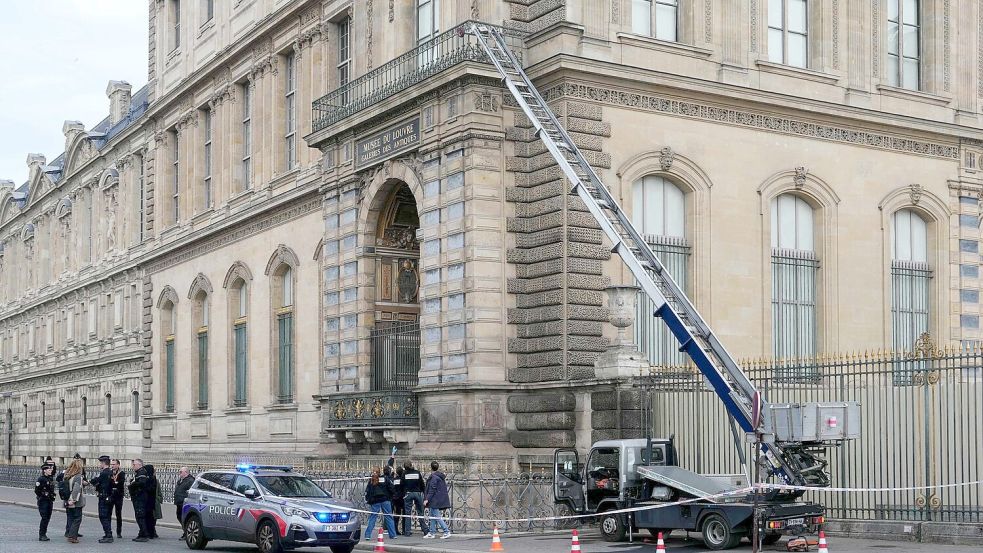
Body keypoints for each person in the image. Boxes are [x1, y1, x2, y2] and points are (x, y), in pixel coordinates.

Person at [363, 467, 397, 541]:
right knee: (389, 517)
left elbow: (368, 492)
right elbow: (391, 488)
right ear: (380, 472)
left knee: (373, 517)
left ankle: (367, 535)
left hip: (375, 501)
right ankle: (393, 535)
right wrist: (392, 496)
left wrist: (368, 500)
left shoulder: (371, 480)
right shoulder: (385, 478)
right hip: (385, 500)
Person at [423, 461, 451, 539]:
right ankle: (432, 532)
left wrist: (426, 499)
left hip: (435, 500)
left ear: (430, 468)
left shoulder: (434, 477)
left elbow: (432, 490)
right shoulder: (439, 476)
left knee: (437, 516)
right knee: (432, 516)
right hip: (436, 499)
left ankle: (446, 531)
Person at [90, 456, 115, 543]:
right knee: (107, 516)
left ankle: (108, 535)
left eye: (100, 463)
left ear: (103, 463)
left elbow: (94, 481)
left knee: (103, 516)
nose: (99, 464)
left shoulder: (104, 473)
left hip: (103, 497)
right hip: (109, 497)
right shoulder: (111, 472)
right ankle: (108, 533)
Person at [64, 458, 86, 543]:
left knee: (70, 518)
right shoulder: (78, 476)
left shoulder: (67, 475)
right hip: (75, 502)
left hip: (67, 499)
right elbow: (76, 489)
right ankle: (72, 536)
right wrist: (73, 500)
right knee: (77, 518)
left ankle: (69, 533)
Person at [401, 460, 426, 537]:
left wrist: (404, 493)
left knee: (408, 513)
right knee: (420, 512)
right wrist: (423, 492)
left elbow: (402, 484)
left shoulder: (404, 473)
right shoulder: (417, 472)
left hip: (408, 493)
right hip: (417, 493)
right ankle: (425, 529)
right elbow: (422, 483)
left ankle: (407, 531)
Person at [128, 459, 150, 542]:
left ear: (139, 465)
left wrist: (132, 484)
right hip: (137, 497)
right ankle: (141, 533)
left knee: (140, 516)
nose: (133, 466)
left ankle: (144, 535)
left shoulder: (142, 473)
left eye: (134, 465)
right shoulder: (139, 473)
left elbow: (141, 483)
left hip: (140, 497)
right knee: (139, 516)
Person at [35, 460, 57, 541]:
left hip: (49, 500)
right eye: (49, 470)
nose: (51, 471)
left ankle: (44, 533)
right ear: (44, 470)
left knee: (48, 517)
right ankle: (42, 535)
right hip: (43, 501)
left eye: (51, 470)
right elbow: (37, 491)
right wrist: (42, 496)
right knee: (44, 517)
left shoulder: (50, 478)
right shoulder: (41, 479)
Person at [173, 467, 195, 540]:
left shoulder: (190, 480)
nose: (179, 473)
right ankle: (186, 532)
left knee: (184, 518)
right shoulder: (181, 480)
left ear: (186, 472)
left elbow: (191, 491)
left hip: (184, 502)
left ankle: (186, 533)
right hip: (179, 502)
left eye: (181, 472)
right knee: (179, 517)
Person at [109, 459, 126, 538]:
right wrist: (114, 483)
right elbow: (109, 482)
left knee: (118, 514)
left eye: (114, 464)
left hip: (119, 496)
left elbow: (120, 483)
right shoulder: (109, 472)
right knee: (108, 514)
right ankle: (108, 531)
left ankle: (119, 532)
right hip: (111, 495)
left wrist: (114, 483)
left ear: (118, 465)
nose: (112, 466)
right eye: (111, 464)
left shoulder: (121, 473)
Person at [145, 464, 162, 539]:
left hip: (153, 502)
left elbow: (158, 491)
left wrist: (159, 499)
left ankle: (151, 532)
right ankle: (151, 531)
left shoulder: (153, 480)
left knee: (152, 518)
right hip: (150, 502)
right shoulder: (149, 478)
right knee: (150, 517)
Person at [391, 465, 406, 535]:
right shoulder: (403, 480)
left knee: (397, 514)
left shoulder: (394, 480)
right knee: (404, 514)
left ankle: (395, 529)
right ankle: (404, 529)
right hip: (402, 498)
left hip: (395, 498)